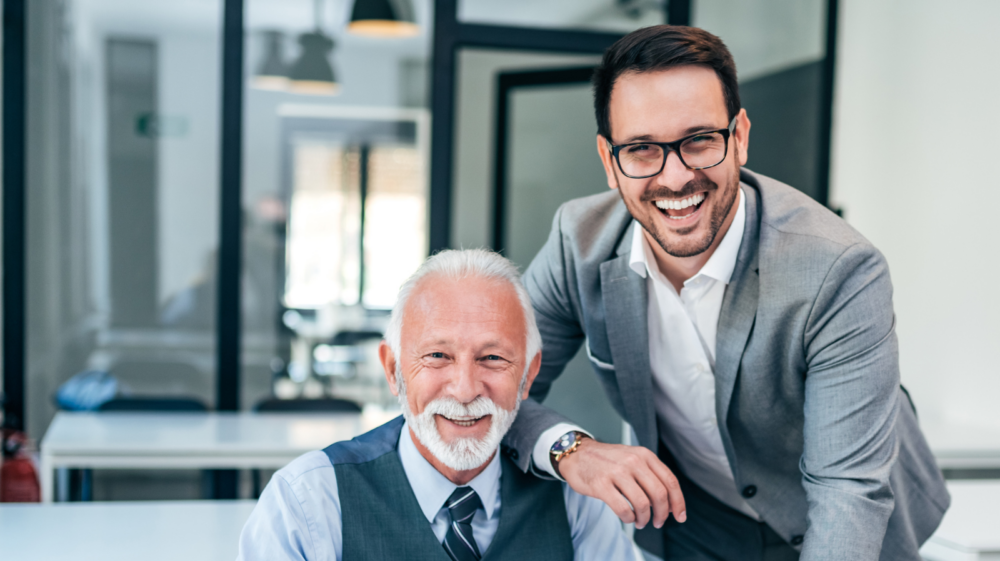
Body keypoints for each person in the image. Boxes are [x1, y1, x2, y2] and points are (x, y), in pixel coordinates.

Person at [502, 25, 949, 560]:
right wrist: (572, 449)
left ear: (738, 138)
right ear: (609, 158)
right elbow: (497, 388)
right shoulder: (579, 242)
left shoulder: (839, 268)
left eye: (699, 141)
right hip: (699, 520)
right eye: (643, 149)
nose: (674, 177)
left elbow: (846, 491)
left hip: (839, 522)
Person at [237, 249, 636, 561]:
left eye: (493, 358)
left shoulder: (577, 506)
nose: (464, 390)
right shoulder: (310, 501)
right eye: (437, 356)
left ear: (528, 375)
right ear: (393, 371)